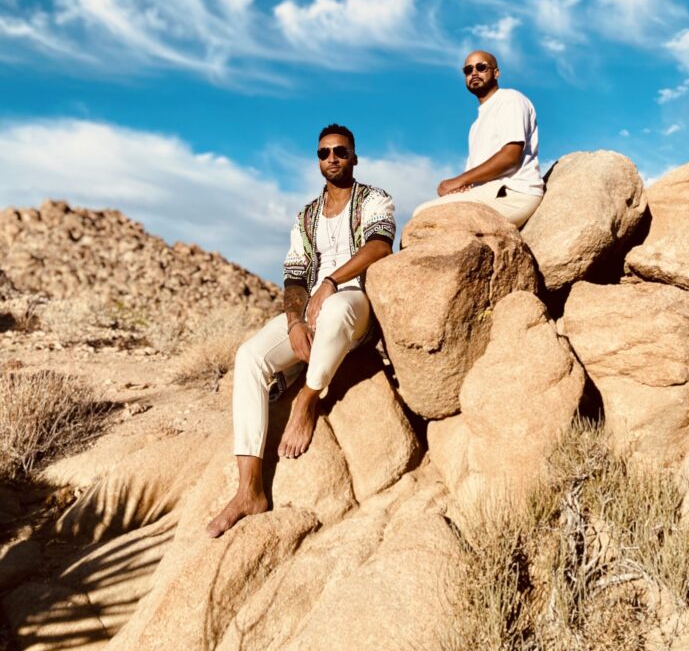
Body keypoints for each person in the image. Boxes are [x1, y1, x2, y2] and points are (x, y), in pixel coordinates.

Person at [207, 123, 395, 538]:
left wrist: (330, 282)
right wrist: (294, 322)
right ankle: (249, 490)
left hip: (356, 305)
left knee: (337, 311)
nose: (332, 159)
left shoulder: (374, 199)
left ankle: (307, 398)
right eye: (325, 153)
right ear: (318, 160)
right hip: (312, 310)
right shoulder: (306, 216)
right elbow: (294, 276)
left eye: (341, 152)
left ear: (354, 158)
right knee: (250, 357)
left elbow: (380, 246)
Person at [413, 49, 544, 227]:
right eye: (468, 70)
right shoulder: (476, 125)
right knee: (423, 217)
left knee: (424, 216)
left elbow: (510, 156)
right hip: (489, 193)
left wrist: (459, 180)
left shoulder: (509, 99)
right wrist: (463, 187)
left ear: (496, 73)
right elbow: (476, 178)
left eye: (481, 67)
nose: (474, 73)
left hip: (513, 193)